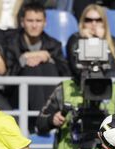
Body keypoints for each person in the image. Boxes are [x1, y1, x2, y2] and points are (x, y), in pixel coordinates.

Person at [5, 1, 71, 132]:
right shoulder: (11, 43)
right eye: (30, 21)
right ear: (22, 22)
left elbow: (66, 74)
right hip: (17, 96)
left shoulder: (53, 45)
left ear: (45, 22)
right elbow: (6, 77)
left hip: (47, 95)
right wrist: (23, 60)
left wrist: (49, 58)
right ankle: (41, 122)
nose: (34, 25)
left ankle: (45, 119)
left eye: (38, 21)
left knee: (49, 67)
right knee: (31, 69)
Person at [66, 3, 115, 81]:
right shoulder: (75, 39)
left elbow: (112, 70)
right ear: (83, 22)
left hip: (107, 84)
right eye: (88, 20)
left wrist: (102, 41)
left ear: (104, 23)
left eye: (98, 20)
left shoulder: (113, 41)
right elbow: (77, 69)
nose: (93, 24)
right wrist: (86, 41)